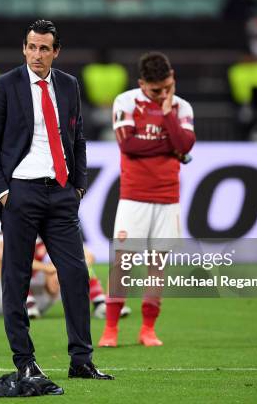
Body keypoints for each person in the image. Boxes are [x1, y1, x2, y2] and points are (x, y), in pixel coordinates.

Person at [0, 20, 113, 380]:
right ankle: (25, 361)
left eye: (44, 48)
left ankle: (81, 360)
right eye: (32, 47)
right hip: (21, 193)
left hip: (62, 194)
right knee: (16, 280)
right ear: (24, 48)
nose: (37, 55)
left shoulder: (68, 85)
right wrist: (4, 192)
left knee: (76, 274)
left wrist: (78, 186)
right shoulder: (4, 87)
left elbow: (78, 137)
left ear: (56, 51)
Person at [99, 51, 195, 348]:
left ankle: (148, 330)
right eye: (156, 91)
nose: (163, 94)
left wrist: (166, 114)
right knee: (123, 263)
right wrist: (169, 145)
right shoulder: (126, 101)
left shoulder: (181, 107)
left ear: (173, 78)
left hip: (168, 197)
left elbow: (186, 144)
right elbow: (127, 144)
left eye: (167, 87)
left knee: (157, 266)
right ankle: (111, 329)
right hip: (134, 196)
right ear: (142, 84)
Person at [0, 220, 131, 319]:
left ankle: (101, 304)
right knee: (6, 264)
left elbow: (89, 256)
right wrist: (48, 268)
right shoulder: (2, 226)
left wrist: (61, 271)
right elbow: (2, 255)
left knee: (78, 262)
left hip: (37, 292)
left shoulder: (51, 228)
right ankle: (26, 302)